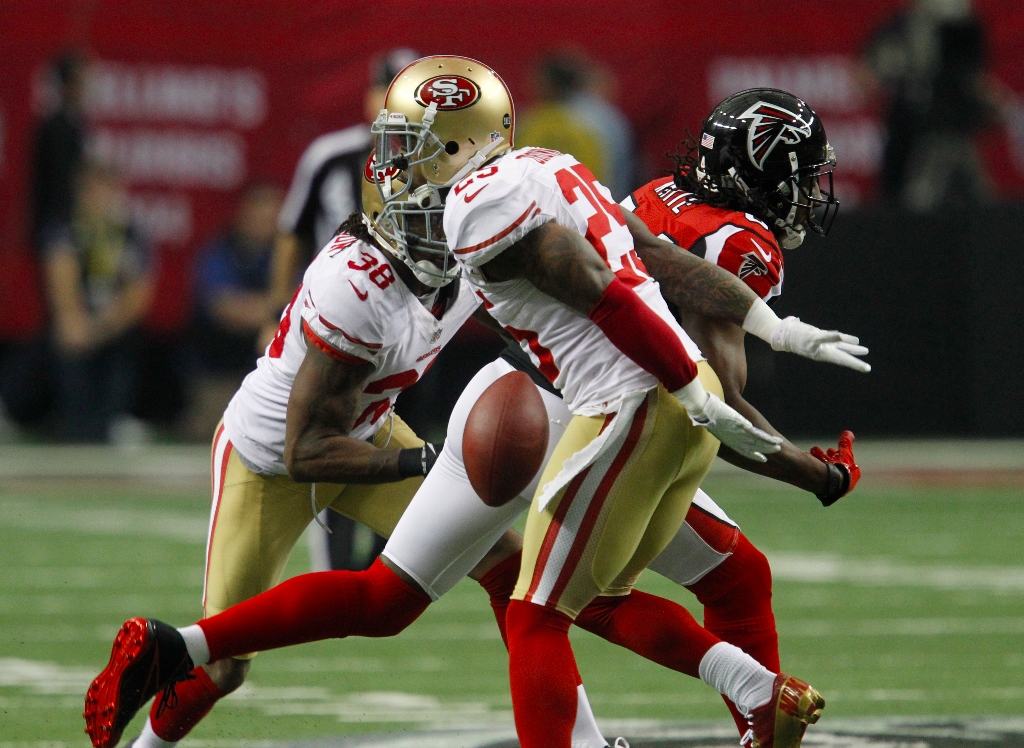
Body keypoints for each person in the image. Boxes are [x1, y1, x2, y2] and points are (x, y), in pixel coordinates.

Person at [84, 58, 867, 748]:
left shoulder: (482, 213)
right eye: (396, 146)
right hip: (284, 453)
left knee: (482, 593)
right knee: (246, 666)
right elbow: (305, 449)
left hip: (547, 412)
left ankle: (734, 698)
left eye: (419, 148)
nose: (394, 166)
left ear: (475, 143)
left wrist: (767, 328)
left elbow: (632, 268)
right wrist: (708, 382)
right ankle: (175, 656)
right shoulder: (363, 276)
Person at [269, 47, 420, 572]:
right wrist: (274, 308)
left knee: (388, 436)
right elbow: (291, 233)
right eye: (385, 89)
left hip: (405, 329)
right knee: (327, 432)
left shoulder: (435, 164)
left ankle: (384, 567)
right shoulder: (331, 155)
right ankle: (335, 566)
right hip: (332, 320)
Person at [42, 161, 154, 442]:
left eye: (106, 190)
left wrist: (102, 326)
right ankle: (71, 420)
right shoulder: (67, 228)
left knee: (129, 340)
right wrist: (75, 321)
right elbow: (61, 280)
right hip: (77, 320)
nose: (99, 198)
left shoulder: (129, 233)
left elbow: (137, 293)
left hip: (111, 323)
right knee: (64, 338)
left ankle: (115, 418)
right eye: (91, 191)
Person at [187, 181, 283, 440]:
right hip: (220, 372)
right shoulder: (220, 250)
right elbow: (222, 308)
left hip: (276, 378)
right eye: (259, 215)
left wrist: (261, 309)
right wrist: (272, 310)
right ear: (243, 213)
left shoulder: (288, 254)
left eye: (273, 216)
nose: (267, 223)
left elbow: (302, 303)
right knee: (216, 437)